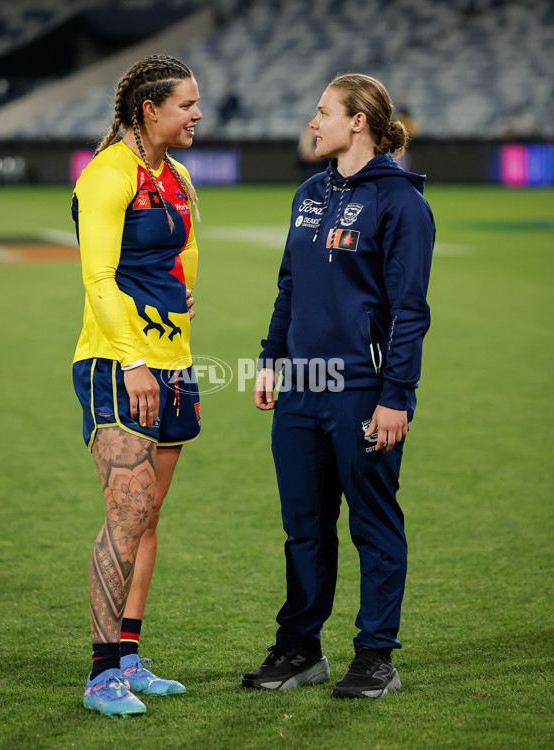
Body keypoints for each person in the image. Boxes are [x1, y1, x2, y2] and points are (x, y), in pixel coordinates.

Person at [243, 73, 435, 699]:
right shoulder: (307, 193)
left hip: (362, 390)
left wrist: (396, 396)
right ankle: (300, 648)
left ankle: (376, 655)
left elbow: (410, 311)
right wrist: (271, 358)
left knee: (372, 525)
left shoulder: (402, 203)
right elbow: (289, 286)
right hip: (299, 387)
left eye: (323, 111)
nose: (313, 121)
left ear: (359, 122)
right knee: (303, 524)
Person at [71, 54, 203, 717]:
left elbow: (186, 251)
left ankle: (129, 659)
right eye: (186, 104)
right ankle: (100, 677)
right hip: (118, 366)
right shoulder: (106, 177)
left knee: (148, 517)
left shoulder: (174, 175)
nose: (197, 114)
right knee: (124, 517)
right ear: (150, 111)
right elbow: (98, 281)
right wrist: (133, 363)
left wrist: (184, 309)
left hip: (171, 362)